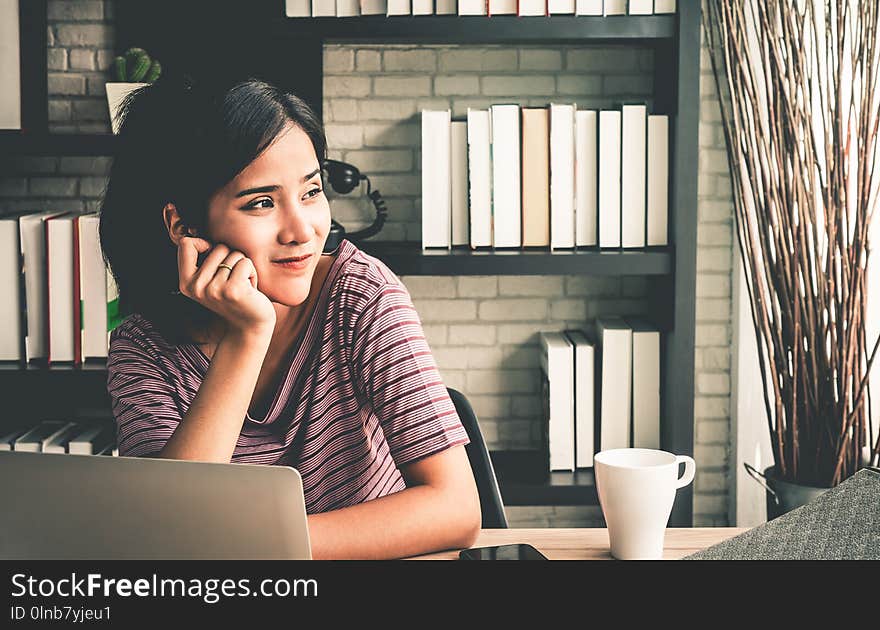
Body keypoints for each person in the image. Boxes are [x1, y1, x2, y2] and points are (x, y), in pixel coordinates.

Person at [99, 74, 480, 559]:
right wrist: (247, 336)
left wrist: (257, 546)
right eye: (261, 202)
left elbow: (457, 509)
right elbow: (168, 535)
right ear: (183, 225)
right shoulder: (143, 347)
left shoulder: (362, 294)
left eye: (311, 191)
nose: (302, 230)